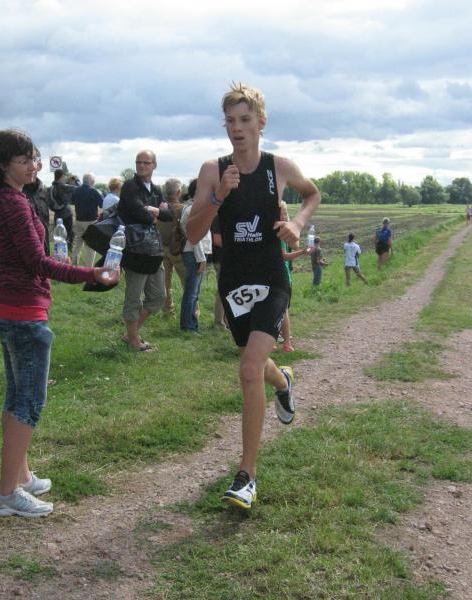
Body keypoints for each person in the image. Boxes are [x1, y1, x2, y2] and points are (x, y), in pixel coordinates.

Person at [186, 82, 320, 510]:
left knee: (247, 369)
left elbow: (312, 193)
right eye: (230, 121)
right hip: (234, 281)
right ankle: (284, 381)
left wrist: (297, 223)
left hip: (272, 277)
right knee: (255, 362)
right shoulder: (213, 170)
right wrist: (218, 196)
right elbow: (192, 232)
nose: (237, 128)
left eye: (245, 120)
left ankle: (247, 476)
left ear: (261, 123)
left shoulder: (278, 167)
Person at [0, 129, 117, 518]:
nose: (33, 166)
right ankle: (7, 494)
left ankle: (20, 475)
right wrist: (91, 273)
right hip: (23, 313)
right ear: (4, 164)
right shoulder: (13, 204)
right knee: (29, 402)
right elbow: (38, 262)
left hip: (6, 306)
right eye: (24, 160)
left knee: (15, 396)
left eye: (35, 158)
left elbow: (0, 258)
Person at [118, 150, 171, 351]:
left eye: (146, 162)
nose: (141, 165)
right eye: (138, 162)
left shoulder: (156, 189)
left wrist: (154, 211)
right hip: (135, 250)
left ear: (154, 165)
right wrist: (156, 212)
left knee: (158, 296)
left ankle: (130, 334)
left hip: (154, 250)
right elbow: (140, 213)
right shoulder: (130, 186)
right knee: (133, 297)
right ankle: (134, 341)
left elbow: (169, 215)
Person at [278, 200, 311, 353]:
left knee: (282, 309)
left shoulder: (284, 232)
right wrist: (302, 252)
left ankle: (284, 341)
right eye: (281, 214)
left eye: (285, 214)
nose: (284, 217)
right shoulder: (277, 233)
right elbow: (285, 255)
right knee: (280, 309)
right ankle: (283, 341)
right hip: (278, 274)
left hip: (283, 274)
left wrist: (292, 230)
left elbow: (295, 246)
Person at [179, 181, 211, 333]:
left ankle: (192, 324)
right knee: (192, 292)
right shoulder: (192, 209)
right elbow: (194, 236)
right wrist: (201, 258)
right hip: (194, 254)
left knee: (194, 291)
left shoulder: (194, 208)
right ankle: (188, 325)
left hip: (196, 253)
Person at [157, 178, 185, 314]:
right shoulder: (182, 209)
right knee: (187, 282)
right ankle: (192, 311)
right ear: (178, 192)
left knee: (165, 281)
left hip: (162, 248)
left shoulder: (159, 208)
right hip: (178, 250)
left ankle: (167, 308)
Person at [22, 150, 52, 255]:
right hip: (27, 256)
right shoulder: (16, 193)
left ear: (39, 165)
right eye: (24, 161)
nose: (30, 166)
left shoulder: (43, 190)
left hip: (44, 253)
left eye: (34, 160)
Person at [71, 173, 102, 266]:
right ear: (91, 181)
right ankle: (89, 268)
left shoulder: (76, 190)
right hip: (91, 221)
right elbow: (101, 204)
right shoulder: (94, 191)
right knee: (90, 246)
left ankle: (74, 265)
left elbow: (72, 201)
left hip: (79, 220)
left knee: (78, 244)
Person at [48, 169, 76, 257]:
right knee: (68, 234)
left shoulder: (51, 187)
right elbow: (77, 188)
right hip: (66, 213)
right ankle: (67, 252)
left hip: (57, 214)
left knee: (59, 235)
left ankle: (59, 253)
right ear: (62, 176)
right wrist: (75, 180)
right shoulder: (63, 187)